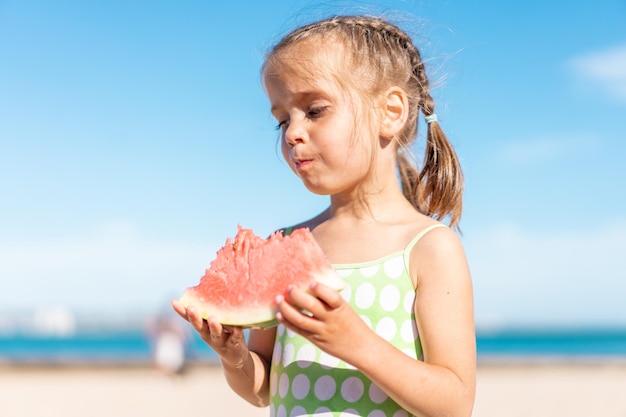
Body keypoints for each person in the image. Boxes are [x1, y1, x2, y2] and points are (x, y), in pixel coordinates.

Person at [172, 14, 475, 417]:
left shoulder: (429, 248)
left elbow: (454, 404)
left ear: (390, 112)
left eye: (314, 111)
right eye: (282, 119)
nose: (292, 132)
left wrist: (356, 343)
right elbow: (263, 390)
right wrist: (235, 358)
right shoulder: (284, 244)